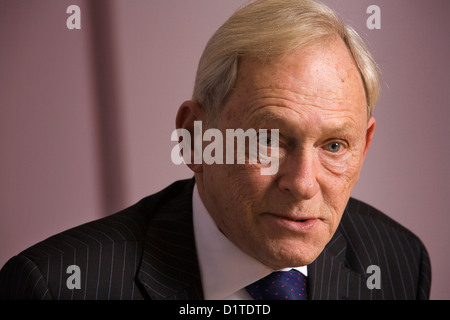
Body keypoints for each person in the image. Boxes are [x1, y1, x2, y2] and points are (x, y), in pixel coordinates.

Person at [0, 0, 431, 300]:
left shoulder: (398, 261)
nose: (302, 185)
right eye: (268, 140)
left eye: (335, 145)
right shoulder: (55, 285)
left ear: (364, 146)